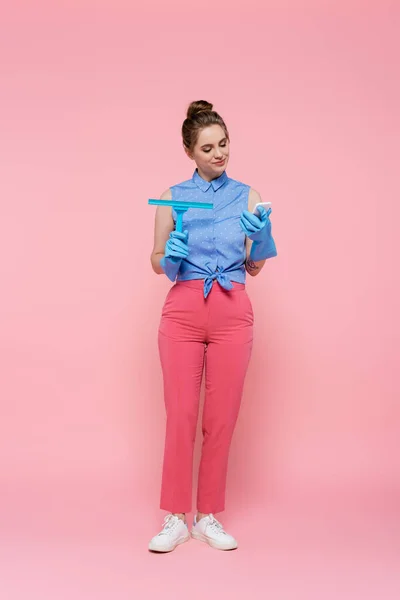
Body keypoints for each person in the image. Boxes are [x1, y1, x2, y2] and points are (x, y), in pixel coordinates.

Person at [148, 100, 277, 553]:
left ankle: (207, 517)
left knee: (221, 419)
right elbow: (156, 260)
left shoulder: (249, 196)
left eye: (224, 144)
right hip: (183, 310)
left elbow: (255, 265)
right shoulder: (172, 197)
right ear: (190, 152)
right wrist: (172, 257)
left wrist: (261, 236)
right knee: (181, 414)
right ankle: (175, 517)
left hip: (231, 310)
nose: (219, 154)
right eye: (208, 147)